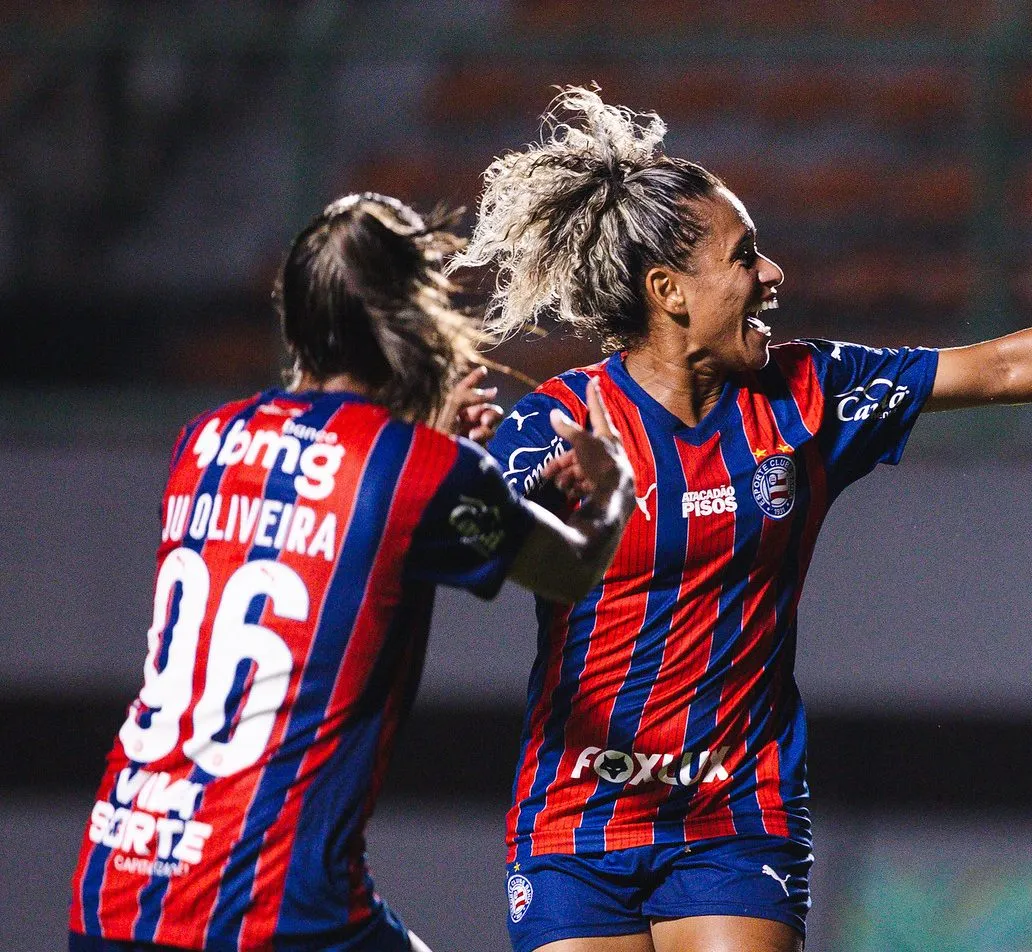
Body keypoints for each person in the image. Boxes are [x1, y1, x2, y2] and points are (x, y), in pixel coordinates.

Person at [450, 86, 1032, 952]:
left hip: (736, 813)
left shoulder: (811, 394)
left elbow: (998, 366)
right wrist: (531, 502)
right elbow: (489, 547)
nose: (772, 275)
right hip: (577, 818)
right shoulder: (562, 425)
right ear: (669, 292)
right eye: (746, 257)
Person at [67, 193, 636, 952]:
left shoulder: (203, 442)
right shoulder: (421, 470)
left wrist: (439, 452)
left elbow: (342, 516)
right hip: (272, 906)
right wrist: (616, 491)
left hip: (116, 891)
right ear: (414, 318)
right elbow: (569, 570)